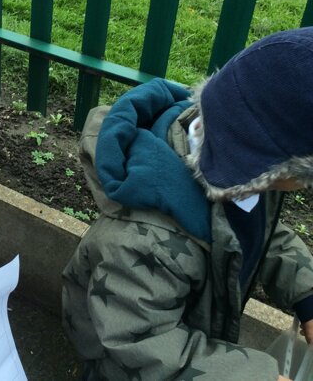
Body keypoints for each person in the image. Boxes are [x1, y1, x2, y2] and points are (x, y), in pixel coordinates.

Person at [62, 27, 313, 381]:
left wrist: (307, 292)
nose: (305, 186)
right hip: (122, 361)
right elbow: (139, 344)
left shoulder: (239, 169)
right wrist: (253, 376)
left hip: (185, 340)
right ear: (267, 163)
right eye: (305, 176)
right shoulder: (142, 242)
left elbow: (259, 232)